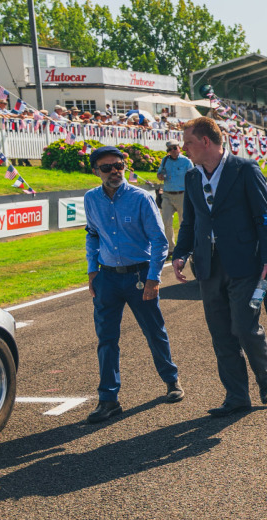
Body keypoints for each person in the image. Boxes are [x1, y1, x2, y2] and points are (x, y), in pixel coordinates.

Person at [170, 116, 267, 417]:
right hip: (208, 266)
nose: (184, 148)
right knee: (221, 334)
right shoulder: (192, 177)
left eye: (188, 142)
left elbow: (264, 216)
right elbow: (189, 222)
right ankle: (236, 396)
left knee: (244, 327)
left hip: (245, 263)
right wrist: (180, 253)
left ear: (206, 141)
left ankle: (265, 377)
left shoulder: (245, 169)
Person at [83, 146, 181, 423]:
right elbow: (92, 235)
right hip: (107, 278)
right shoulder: (91, 198)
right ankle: (108, 399)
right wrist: (92, 271)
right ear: (96, 171)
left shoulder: (141, 198)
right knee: (106, 340)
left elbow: (160, 241)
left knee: (154, 331)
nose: (114, 171)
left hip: (139, 276)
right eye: (107, 167)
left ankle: (171, 381)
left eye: (118, 166)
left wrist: (153, 278)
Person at [156, 140, 192, 239]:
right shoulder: (165, 160)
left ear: (179, 148)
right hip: (167, 194)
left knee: (183, 223)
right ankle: (170, 248)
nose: (172, 150)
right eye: (170, 149)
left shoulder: (186, 161)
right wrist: (160, 176)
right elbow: (159, 173)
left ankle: (184, 247)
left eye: (175, 148)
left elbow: (193, 177)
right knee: (166, 221)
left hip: (182, 194)